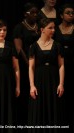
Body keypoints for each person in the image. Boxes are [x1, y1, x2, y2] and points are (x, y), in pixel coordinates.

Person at [28, 18, 66, 133]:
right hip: (39, 80)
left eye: (54, 27)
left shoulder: (57, 45)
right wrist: (32, 85)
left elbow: (61, 66)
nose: (53, 30)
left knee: (53, 108)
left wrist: (61, 84)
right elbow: (31, 67)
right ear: (42, 29)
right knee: (39, 109)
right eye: (50, 28)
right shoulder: (33, 46)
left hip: (53, 80)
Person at [12, 3, 39, 132]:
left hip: (38, 62)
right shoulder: (19, 27)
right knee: (25, 89)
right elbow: (18, 48)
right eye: (32, 12)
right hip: (25, 63)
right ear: (25, 14)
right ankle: (24, 121)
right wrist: (28, 62)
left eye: (36, 12)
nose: (35, 15)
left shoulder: (39, 26)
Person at [54, 3, 74, 133]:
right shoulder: (55, 29)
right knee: (61, 93)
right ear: (61, 15)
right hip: (59, 65)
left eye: (72, 13)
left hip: (73, 64)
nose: (71, 15)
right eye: (68, 13)